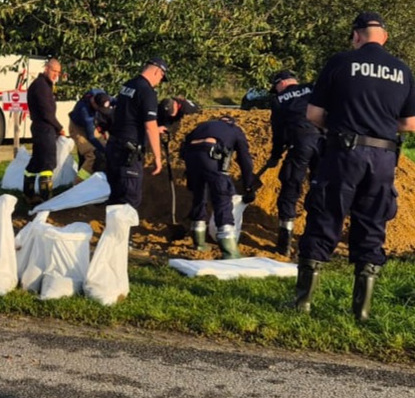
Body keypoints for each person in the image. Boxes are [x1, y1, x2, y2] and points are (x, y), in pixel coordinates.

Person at [293, 11, 415, 321]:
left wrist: (343, 125)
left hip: (344, 153)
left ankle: (303, 302)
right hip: (384, 157)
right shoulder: (403, 71)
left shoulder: (341, 62)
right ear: (384, 37)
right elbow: (409, 123)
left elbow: (313, 114)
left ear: (356, 36)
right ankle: (361, 310)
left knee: (325, 216)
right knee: (373, 224)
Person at [262, 69, 323, 257]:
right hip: (325, 143)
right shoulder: (313, 88)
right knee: (321, 188)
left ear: (281, 83)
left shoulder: (279, 101)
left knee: (290, 185)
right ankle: (317, 238)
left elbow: (278, 132)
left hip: (300, 145)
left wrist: (276, 155)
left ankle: (284, 243)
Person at [181, 115, 257, 259]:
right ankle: (229, 251)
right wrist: (249, 186)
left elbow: (184, 147)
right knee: (222, 197)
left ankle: (199, 242)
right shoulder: (235, 130)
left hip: (191, 155)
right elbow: (244, 159)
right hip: (211, 154)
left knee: (199, 195)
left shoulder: (203, 125)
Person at [105, 57, 167, 209]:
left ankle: (114, 231)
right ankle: (124, 233)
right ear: (157, 71)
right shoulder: (147, 91)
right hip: (129, 152)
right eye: (161, 77)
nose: (159, 82)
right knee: (129, 200)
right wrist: (157, 157)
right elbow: (150, 126)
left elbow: (129, 114)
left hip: (114, 146)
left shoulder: (128, 85)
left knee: (116, 196)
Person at [24, 59, 66, 200]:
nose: (56, 75)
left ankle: (28, 194)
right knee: (48, 163)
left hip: (40, 128)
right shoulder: (41, 86)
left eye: (58, 72)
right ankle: (46, 198)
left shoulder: (43, 85)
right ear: (46, 68)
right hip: (44, 128)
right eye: (54, 71)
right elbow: (47, 112)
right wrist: (59, 128)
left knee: (36, 161)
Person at [68, 88, 111, 180]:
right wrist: (105, 150)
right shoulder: (85, 112)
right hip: (78, 128)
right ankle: (78, 185)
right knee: (93, 155)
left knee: (106, 150)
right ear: (94, 104)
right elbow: (91, 137)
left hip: (92, 125)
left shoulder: (102, 96)